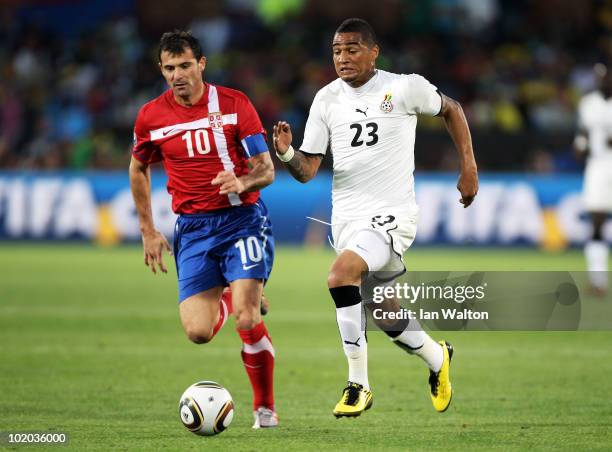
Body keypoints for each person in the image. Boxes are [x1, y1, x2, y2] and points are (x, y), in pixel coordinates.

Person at [273, 18, 478, 417]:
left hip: (392, 216)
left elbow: (452, 110)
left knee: (339, 275)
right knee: (384, 312)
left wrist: (468, 167)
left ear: (373, 52)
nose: (343, 58)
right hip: (347, 220)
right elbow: (308, 169)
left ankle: (358, 384)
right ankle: (438, 358)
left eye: (351, 49)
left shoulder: (404, 87)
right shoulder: (326, 99)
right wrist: (285, 154)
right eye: (336, 51)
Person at [129, 30, 278, 428]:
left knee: (247, 318)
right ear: (161, 70)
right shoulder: (150, 117)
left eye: (184, 66)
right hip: (192, 229)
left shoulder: (234, 104)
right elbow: (139, 166)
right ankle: (231, 291)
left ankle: (264, 409)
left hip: (242, 220)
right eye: (169, 68)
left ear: (202, 64)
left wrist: (242, 183)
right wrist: (148, 228)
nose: (177, 75)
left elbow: (266, 169)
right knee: (197, 332)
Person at [575, 63, 612, 296]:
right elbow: (582, 135)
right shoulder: (588, 104)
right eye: (598, 77)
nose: (602, 81)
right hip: (598, 165)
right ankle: (598, 281)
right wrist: (580, 148)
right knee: (596, 222)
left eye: (605, 77)